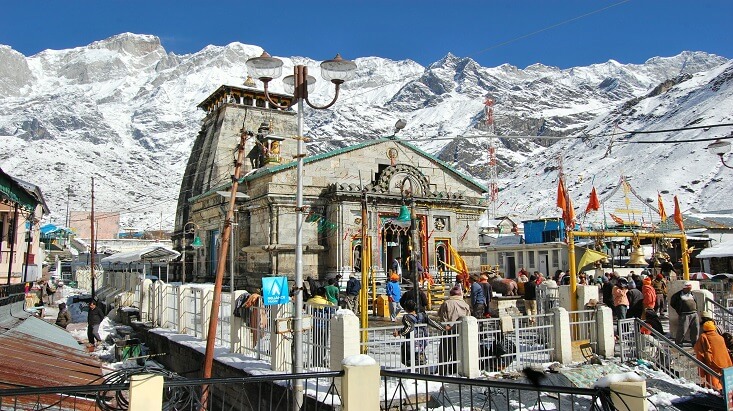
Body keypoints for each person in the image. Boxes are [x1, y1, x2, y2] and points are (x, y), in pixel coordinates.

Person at [393, 299, 449, 370]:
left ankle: (414, 371)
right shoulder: (422, 315)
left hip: (411, 341)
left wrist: (399, 333)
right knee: (420, 354)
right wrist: (443, 327)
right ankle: (422, 367)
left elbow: (409, 327)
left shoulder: (407, 317)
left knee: (409, 357)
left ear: (406, 309)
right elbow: (432, 322)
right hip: (422, 340)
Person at [436, 285, 471, 375]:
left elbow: (442, 316)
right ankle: (454, 370)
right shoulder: (465, 304)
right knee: (457, 352)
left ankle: (442, 371)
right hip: (461, 331)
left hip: (448, 329)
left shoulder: (447, 303)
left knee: (445, 352)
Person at [694, 320, 733, 390]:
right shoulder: (720, 337)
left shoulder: (703, 337)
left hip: (712, 365)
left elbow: (699, 351)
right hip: (724, 364)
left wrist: (701, 372)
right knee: (725, 384)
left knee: (715, 386)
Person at [306, 287, 335, 368]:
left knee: (315, 343)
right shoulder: (327, 303)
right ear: (324, 294)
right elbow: (332, 313)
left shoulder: (310, 301)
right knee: (323, 344)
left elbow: (306, 310)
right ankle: (321, 360)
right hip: (324, 325)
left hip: (313, 325)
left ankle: (315, 360)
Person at [670, 282, 699, 346]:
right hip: (684, 314)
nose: (689, 290)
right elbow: (672, 303)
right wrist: (679, 310)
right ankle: (679, 343)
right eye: (688, 288)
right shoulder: (678, 295)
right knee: (682, 330)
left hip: (694, 313)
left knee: (695, 329)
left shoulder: (692, 294)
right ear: (684, 288)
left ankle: (695, 343)